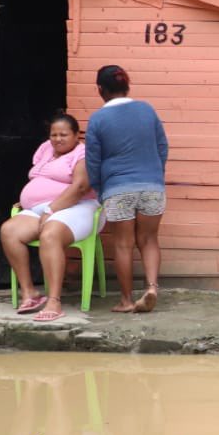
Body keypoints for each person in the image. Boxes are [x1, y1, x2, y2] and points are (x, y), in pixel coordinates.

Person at [85, 65, 170, 314]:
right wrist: (156, 175)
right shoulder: (146, 110)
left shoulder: (98, 119)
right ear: (127, 85)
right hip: (152, 186)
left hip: (117, 188)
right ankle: (152, 287)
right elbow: (162, 147)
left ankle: (126, 300)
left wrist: (101, 190)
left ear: (100, 89)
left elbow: (93, 161)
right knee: (149, 239)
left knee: (123, 244)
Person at [0, 113, 99, 322]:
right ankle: (30, 293)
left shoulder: (83, 153)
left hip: (77, 207)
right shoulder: (46, 149)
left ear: (76, 136)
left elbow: (80, 187)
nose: (57, 139)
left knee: (50, 234)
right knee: (9, 231)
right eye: (54, 134)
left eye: (63, 134)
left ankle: (54, 301)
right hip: (42, 209)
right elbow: (39, 177)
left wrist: (51, 209)